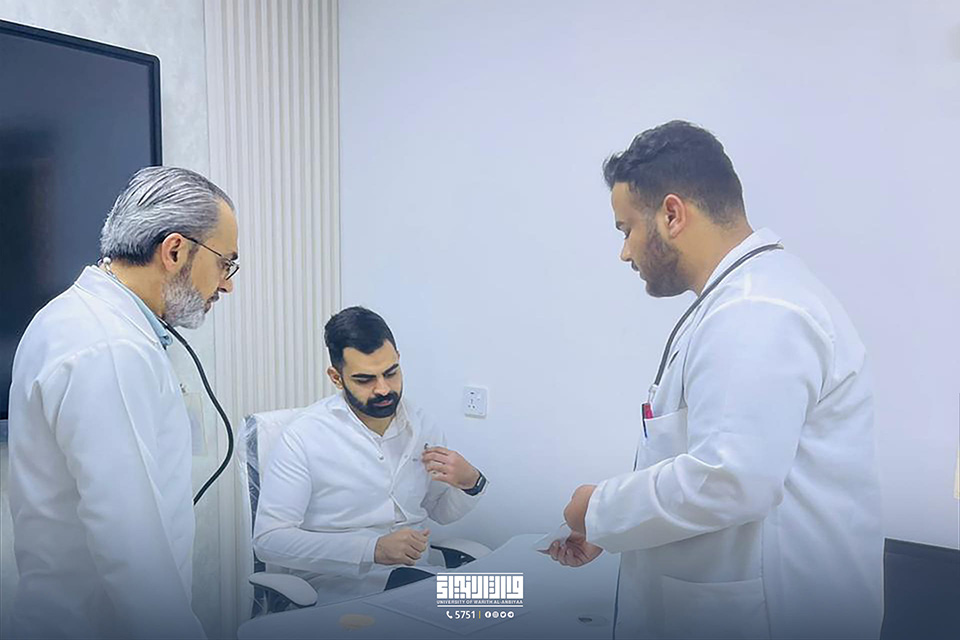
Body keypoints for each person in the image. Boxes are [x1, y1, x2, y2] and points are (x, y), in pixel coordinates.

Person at [549, 121, 883, 639]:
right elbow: (718, 465)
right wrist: (617, 529)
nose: (624, 252)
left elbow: (730, 481)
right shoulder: (744, 299)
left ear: (672, 214)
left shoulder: (757, 310)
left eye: (626, 229)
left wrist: (600, 509)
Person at [8, 167, 239, 639]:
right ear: (174, 251)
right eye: (225, 264)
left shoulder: (77, 319)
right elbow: (135, 555)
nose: (227, 284)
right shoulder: (109, 347)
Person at [253, 306, 487, 603]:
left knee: (508, 599)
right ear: (336, 377)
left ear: (398, 359)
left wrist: (471, 483)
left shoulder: (421, 424)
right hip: (341, 588)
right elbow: (269, 541)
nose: (383, 389)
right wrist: (372, 550)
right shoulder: (304, 436)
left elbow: (439, 510)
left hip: (418, 578)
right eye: (365, 379)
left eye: (391, 373)